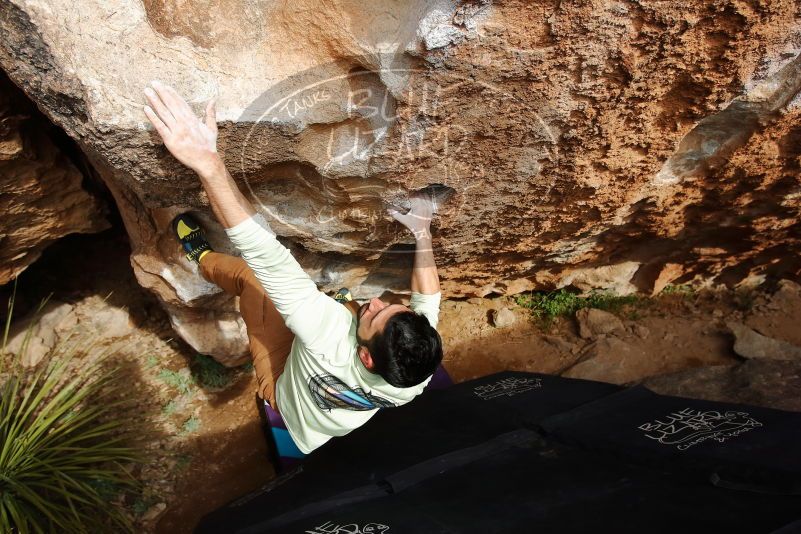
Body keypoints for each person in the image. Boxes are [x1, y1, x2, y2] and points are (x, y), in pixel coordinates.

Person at [143, 80, 443, 455]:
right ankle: (343, 301)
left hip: (284, 386)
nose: (378, 302)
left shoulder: (328, 336)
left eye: (374, 316)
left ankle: (201, 259)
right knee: (357, 306)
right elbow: (428, 296)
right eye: (390, 307)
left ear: (365, 355)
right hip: (325, 413)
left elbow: (266, 255)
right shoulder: (414, 377)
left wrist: (210, 164)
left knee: (252, 279)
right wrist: (422, 231)